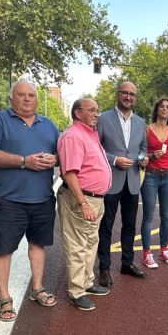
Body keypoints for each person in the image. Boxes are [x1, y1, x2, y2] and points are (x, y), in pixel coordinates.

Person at [0, 80, 59, 321]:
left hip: (44, 197)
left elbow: (61, 154)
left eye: (31, 95)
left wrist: (54, 159)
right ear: (11, 98)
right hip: (10, 199)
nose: (27, 99)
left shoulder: (49, 125)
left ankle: (37, 287)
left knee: (38, 245)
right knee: (4, 249)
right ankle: (4, 298)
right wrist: (24, 161)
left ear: (37, 99)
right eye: (21, 95)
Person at [58, 99, 112, 311]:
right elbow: (69, 173)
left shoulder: (90, 133)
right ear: (78, 113)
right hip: (81, 199)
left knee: (90, 242)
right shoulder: (73, 136)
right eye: (91, 110)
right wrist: (83, 203)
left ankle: (87, 282)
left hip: (95, 199)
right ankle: (76, 291)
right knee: (77, 245)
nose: (96, 114)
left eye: (97, 110)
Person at [96, 81, 148, 287]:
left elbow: (143, 148)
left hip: (133, 181)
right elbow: (97, 148)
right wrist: (114, 160)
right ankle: (104, 269)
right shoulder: (103, 119)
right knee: (106, 226)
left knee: (129, 225)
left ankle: (127, 263)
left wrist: (143, 158)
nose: (128, 97)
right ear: (118, 94)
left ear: (135, 97)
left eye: (132, 94)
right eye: (125, 93)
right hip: (110, 181)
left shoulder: (140, 122)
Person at [139, 98, 168, 268]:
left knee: (167, 216)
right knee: (148, 216)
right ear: (157, 110)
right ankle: (147, 254)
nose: (165, 109)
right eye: (162, 107)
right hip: (150, 176)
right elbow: (140, 155)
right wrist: (150, 157)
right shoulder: (146, 130)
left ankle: (164, 250)